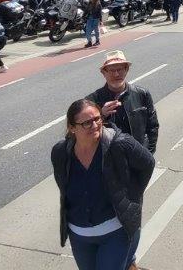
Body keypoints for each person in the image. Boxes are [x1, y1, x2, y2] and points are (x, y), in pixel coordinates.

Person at [51, 99, 155, 270]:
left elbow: (147, 164)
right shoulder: (60, 152)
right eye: (86, 123)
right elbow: (63, 184)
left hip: (116, 232)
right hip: (80, 236)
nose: (95, 125)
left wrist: (132, 196)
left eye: (97, 119)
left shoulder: (120, 143)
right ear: (72, 128)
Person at [86, 50, 159, 270]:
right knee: (110, 217)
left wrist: (146, 157)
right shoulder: (92, 101)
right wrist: (101, 115)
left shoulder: (141, 94)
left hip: (135, 170)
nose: (116, 73)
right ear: (104, 72)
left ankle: (129, 261)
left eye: (120, 68)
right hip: (106, 170)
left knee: (133, 215)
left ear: (127, 70)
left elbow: (152, 127)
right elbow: (81, 136)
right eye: (111, 70)